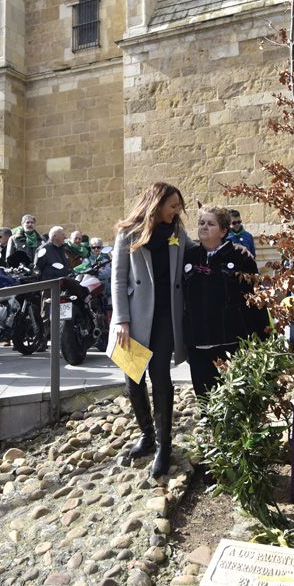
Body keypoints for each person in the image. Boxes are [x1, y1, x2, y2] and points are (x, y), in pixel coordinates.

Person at [112, 182, 189, 479]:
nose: (176, 211)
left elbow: (197, 253)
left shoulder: (178, 235)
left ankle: (164, 446)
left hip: (166, 319)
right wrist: (121, 320)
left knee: (160, 376)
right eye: (173, 206)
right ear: (156, 205)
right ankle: (147, 434)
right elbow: (118, 280)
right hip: (134, 319)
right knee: (133, 379)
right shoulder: (128, 233)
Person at [182, 207, 265, 397]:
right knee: (205, 400)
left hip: (230, 341)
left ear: (223, 231)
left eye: (211, 224)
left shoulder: (240, 257)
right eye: (201, 223)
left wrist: (262, 337)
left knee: (234, 399)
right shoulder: (189, 257)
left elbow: (254, 299)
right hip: (198, 342)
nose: (204, 227)